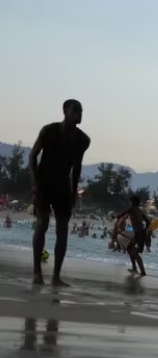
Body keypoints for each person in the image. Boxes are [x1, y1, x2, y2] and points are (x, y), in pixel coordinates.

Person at [29, 99, 91, 286]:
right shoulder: (49, 131)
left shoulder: (82, 140)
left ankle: (56, 276)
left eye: (80, 111)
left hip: (63, 184)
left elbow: (77, 167)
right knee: (42, 224)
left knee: (62, 230)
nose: (78, 114)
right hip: (44, 181)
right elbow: (33, 155)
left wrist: (73, 193)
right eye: (75, 110)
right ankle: (37, 272)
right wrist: (35, 184)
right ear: (65, 111)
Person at [115, 196, 149, 276]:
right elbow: (148, 222)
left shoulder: (131, 209)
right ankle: (134, 268)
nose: (130, 203)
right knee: (129, 248)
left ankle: (142, 271)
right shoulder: (140, 211)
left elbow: (120, 215)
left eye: (131, 201)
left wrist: (114, 216)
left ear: (133, 202)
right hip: (140, 232)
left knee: (134, 252)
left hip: (137, 233)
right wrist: (144, 230)